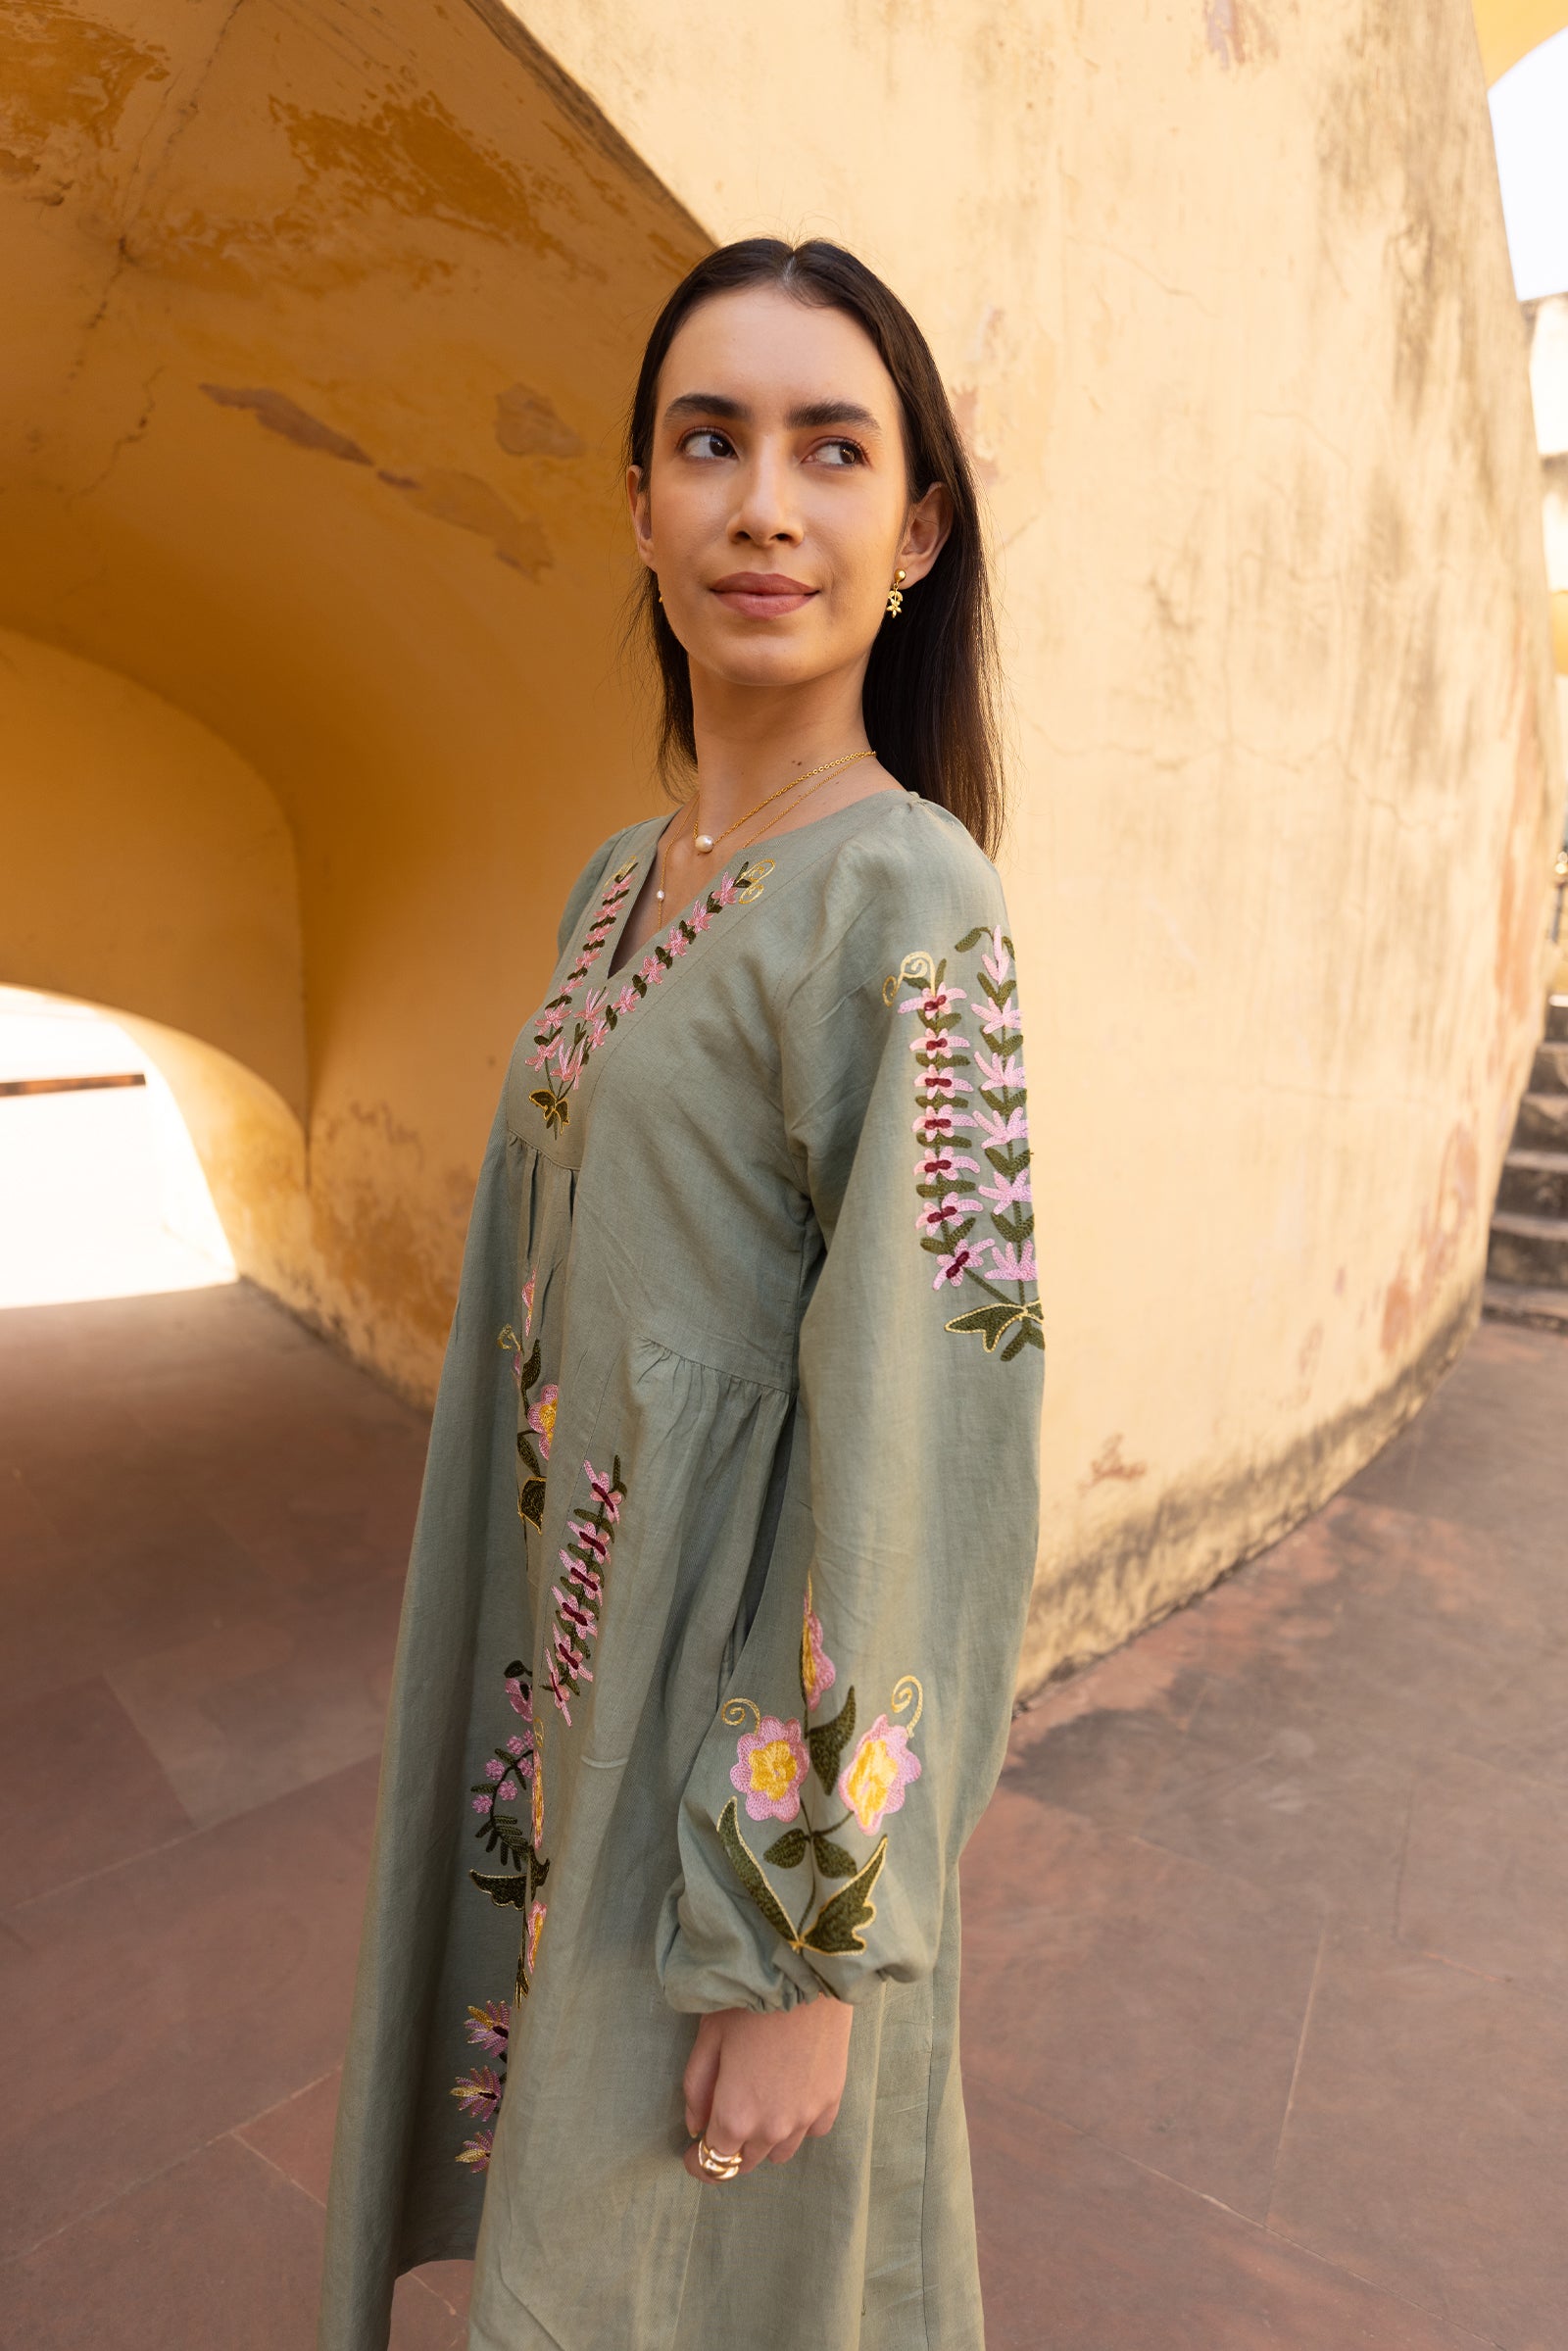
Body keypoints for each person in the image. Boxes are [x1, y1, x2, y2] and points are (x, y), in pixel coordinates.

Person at [318, 236, 1044, 2351]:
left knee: (692, 2289)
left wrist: (803, 1951)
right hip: (568, 1709)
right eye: (705, 443)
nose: (760, 506)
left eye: (830, 453)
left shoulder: (911, 897)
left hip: (728, 1787)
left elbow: (923, 1432)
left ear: (912, 534)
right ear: (634, 506)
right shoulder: (618, 880)